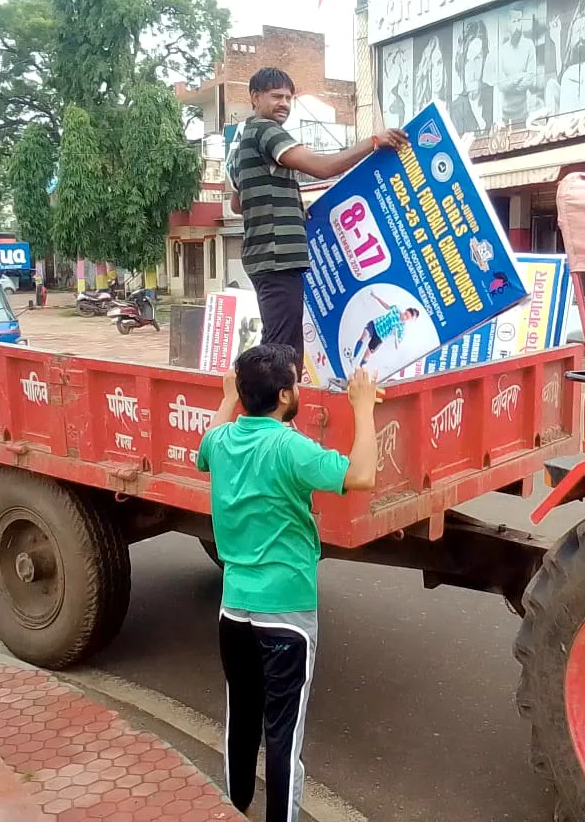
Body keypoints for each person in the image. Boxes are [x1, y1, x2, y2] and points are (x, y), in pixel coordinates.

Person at [199, 343, 380, 822]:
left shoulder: (220, 443)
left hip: (233, 611)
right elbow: (361, 475)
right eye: (296, 382)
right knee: (283, 735)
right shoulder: (288, 446)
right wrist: (362, 407)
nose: (299, 388)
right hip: (287, 617)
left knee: (241, 717)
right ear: (284, 395)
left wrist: (225, 400)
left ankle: (233, 807)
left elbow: (205, 446)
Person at [227, 68, 407, 374]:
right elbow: (323, 168)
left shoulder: (242, 138)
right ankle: (268, 412)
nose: (284, 103)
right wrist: (373, 142)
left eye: (288, 97)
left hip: (262, 256)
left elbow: (236, 203)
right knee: (283, 349)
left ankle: (257, 398)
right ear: (255, 98)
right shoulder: (266, 131)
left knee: (276, 337)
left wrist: (289, 210)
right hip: (277, 257)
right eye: (276, 96)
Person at [347, 291, 421, 369]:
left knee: (368, 353)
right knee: (364, 335)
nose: (404, 317)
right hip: (375, 324)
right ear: (405, 311)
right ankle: (353, 358)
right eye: (405, 314)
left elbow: (397, 346)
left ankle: (360, 369)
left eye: (407, 318)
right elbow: (386, 306)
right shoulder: (395, 309)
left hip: (380, 337)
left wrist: (396, 334)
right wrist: (376, 297)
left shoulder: (402, 328)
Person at [451, 19, 495, 135]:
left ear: (484, 60)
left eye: (477, 59)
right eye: (467, 62)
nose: (472, 70)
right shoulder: (455, 110)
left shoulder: (494, 96)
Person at [498, 5, 537, 125]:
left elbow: (530, 80)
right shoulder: (502, 50)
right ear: (508, 24)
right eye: (514, 21)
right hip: (505, 117)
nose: (517, 26)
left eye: (519, 21)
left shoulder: (529, 46)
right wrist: (520, 76)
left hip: (524, 115)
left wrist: (510, 80)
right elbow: (501, 85)